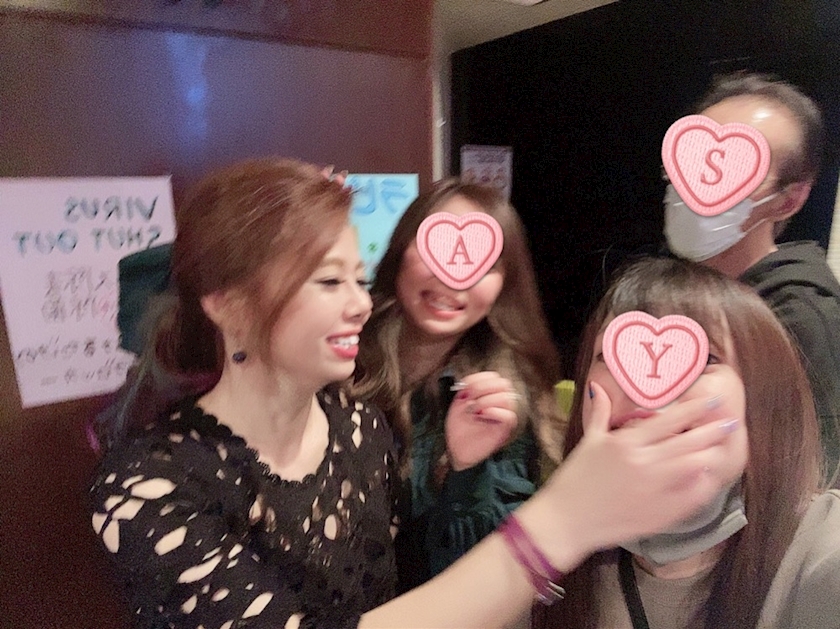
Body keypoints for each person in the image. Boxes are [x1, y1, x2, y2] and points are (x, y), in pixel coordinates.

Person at [90, 158, 742, 629]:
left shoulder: (355, 426)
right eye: (328, 281)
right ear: (229, 305)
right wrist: (563, 521)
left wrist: (462, 471)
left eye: (357, 278)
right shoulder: (149, 485)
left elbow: (412, 580)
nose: (358, 304)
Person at [537, 257, 840, 629]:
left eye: (704, 357)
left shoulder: (821, 555)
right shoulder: (546, 565)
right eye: (614, 355)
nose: (647, 384)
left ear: (764, 397)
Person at [352, 179, 566, 591]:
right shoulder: (337, 359)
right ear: (400, 252)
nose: (454, 277)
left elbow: (480, 582)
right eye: (437, 246)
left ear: (504, 284)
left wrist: (466, 473)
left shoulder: (502, 400)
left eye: (482, 263)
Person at [663, 72, 840, 484]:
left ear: (789, 199)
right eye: (690, 159)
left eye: (736, 169)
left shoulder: (801, 318)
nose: (699, 184)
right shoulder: (679, 297)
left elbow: (812, 485)